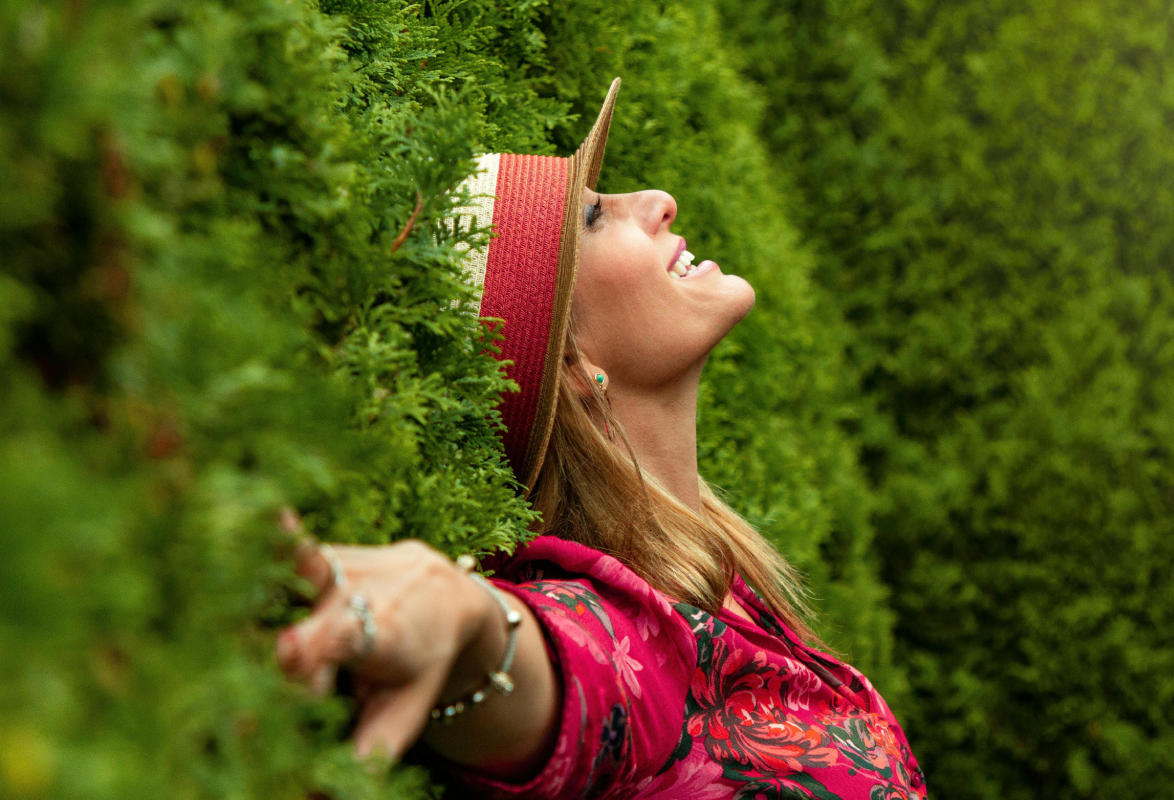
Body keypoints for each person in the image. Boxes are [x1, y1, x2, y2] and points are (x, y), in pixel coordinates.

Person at [275, 78, 926, 799]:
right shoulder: (622, 631)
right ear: (574, 367)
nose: (657, 200)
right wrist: (461, 616)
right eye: (592, 217)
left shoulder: (720, 580)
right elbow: (561, 667)